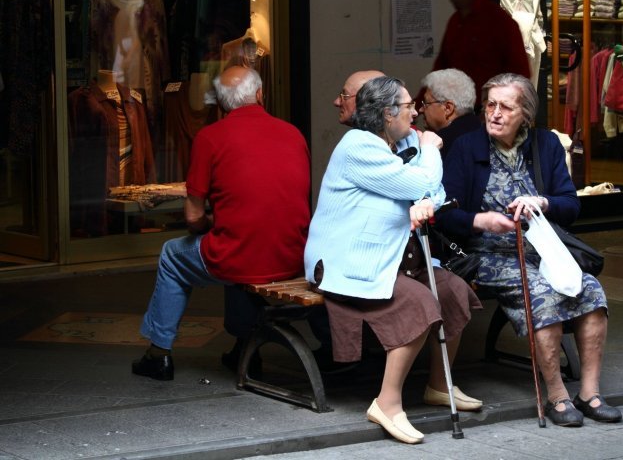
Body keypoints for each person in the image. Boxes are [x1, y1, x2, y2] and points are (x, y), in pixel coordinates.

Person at [436, 73, 622, 428]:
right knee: (542, 295)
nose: (495, 113)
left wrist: (542, 202)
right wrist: (482, 221)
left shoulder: (545, 144)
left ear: (526, 114)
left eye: (505, 106)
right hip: (488, 255)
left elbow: (571, 206)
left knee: (592, 293)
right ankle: (557, 396)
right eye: (490, 105)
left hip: (544, 251)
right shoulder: (467, 148)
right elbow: (445, 215)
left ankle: (589, 393)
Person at [304, 76, 482, 444]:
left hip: (391, 255)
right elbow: (420, 184)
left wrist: (425, 186)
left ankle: (438, 384)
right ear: (387, 114)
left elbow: (434, 189)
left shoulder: (394, 143)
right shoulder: (358, 146)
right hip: (347, 262)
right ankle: (387, 403)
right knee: (419, 302)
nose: (415, 111)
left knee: (452, 290)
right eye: (407, 106)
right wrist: (430, 149)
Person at [131, 66, 310, 381]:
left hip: (239, 256)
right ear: (259, 94)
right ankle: (244, 347)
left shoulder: (210, 137)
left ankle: (158, 353)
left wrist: (210, 224)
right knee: (237, 241)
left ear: (222, 103)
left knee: (174, 255)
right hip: (293, 256)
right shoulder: (293, 133)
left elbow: (192, 216)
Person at [433, 0, 530, 103]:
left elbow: (520, 78)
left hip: (490, 117)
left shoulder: (500, 23)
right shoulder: (455, 21)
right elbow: (440, 71)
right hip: (458, 114)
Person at [418, 68, 481, 158]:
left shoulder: (441, 143)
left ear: (448, 108)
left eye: (426, 103)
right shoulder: (484, 131)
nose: (421, 110)